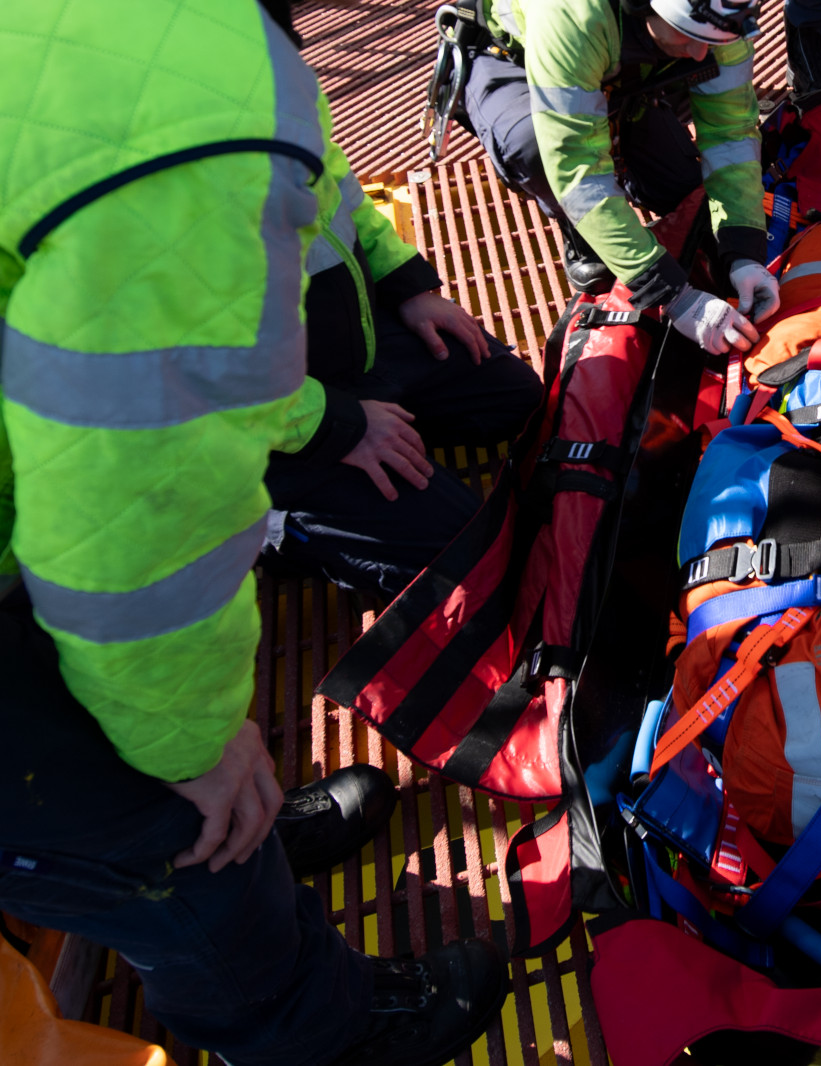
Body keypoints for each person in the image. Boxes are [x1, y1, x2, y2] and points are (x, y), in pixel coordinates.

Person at [0, 3, 507, 1065]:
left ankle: (249, 832)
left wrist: (381, 322)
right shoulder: (185, 90)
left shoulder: (155, 49)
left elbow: (182, 340)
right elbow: (131, 500)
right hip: (71, 516)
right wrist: (186, 749)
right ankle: (317, 1033)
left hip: (58, 477)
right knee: (174, 840)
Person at [260, 134, 543, 598]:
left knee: (516, 399)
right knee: (462, 549)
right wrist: (337, 425)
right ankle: (271, 526)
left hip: (347, 347)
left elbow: (342, 194)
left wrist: (405, 285)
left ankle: (387, 437)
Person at [458, 0, 781, 355]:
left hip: (631, 62)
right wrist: (673, 295)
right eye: (688, 34)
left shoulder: (723, 16)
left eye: (712, 39)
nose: (700, 52)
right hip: (520, 61)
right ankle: (577, 229)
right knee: (535, 148)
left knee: (687, 195)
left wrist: (743, 250)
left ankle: (629, 126)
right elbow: (576, 165)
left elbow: (731, 132)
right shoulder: (570, 12)